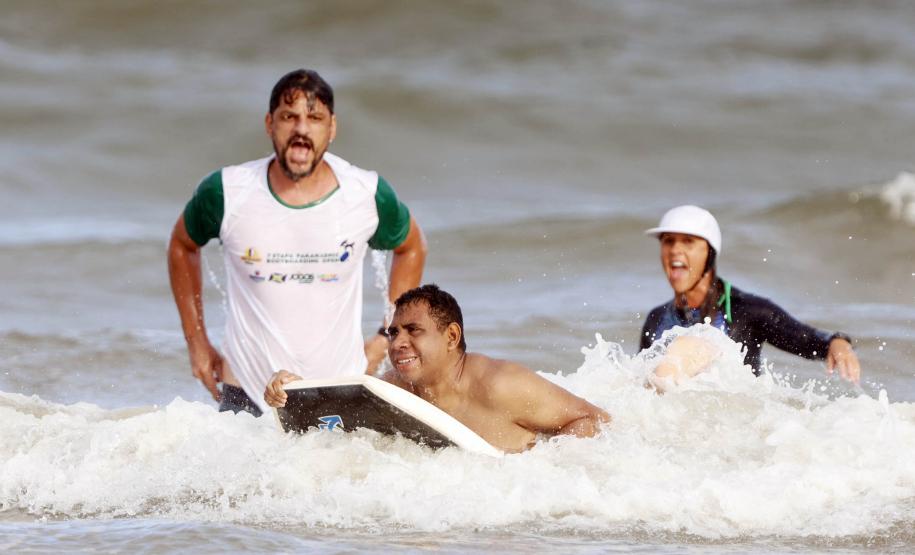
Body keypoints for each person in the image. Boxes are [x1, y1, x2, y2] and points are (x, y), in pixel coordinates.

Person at [168, 69, 427, 417]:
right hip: (245, 394)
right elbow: (182, 245)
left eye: (314, 118)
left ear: (332, 128)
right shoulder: (228, 191)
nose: (301, 129)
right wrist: (196, 343)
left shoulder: (365, 194)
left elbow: (411, 247)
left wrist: (387, 336)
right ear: (269, 124)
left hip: (337, 393)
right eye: (289, 117)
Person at [266, 285, 716, 453]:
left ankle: (686, 355)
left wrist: (550, 465)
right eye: (392, 332)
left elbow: (595, 420)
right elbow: (333, 419)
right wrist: (288, 388)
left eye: (412, 331)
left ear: (451, 337)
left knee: (658, 384)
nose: (397, 342)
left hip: (596, 414)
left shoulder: (501, 385)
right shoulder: (398, 389)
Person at [639, 205, 860, 382]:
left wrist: (837, 342)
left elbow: (809, 341)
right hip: (673, 426)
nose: (675, 250)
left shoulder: (747, 310)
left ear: (710, 252)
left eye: (688, 241)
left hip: (730, 427)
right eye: (668, 241)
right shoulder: (657, 319)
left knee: (687, 347)